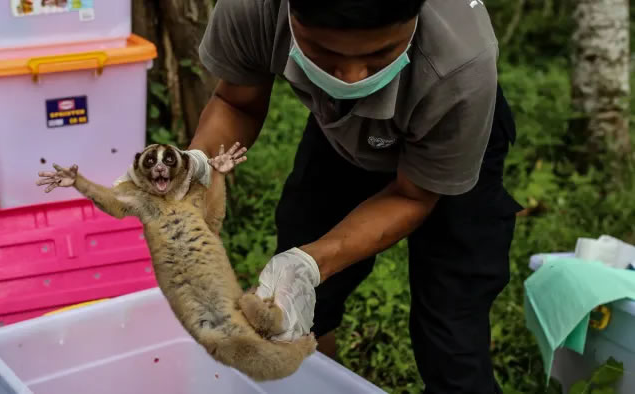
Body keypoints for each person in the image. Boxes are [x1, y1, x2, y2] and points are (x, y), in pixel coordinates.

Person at [188, 0, 523, 392]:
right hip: (339, 139)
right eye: (325, 53)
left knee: (452, 329)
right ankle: (314, 385)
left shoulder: (461, 63)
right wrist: (195, 176)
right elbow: (235, 101)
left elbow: (413, 196)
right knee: (298, 308)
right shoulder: (253, 8)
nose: (350, 78)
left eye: (380, 54)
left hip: (447, 137)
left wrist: (313, 262)